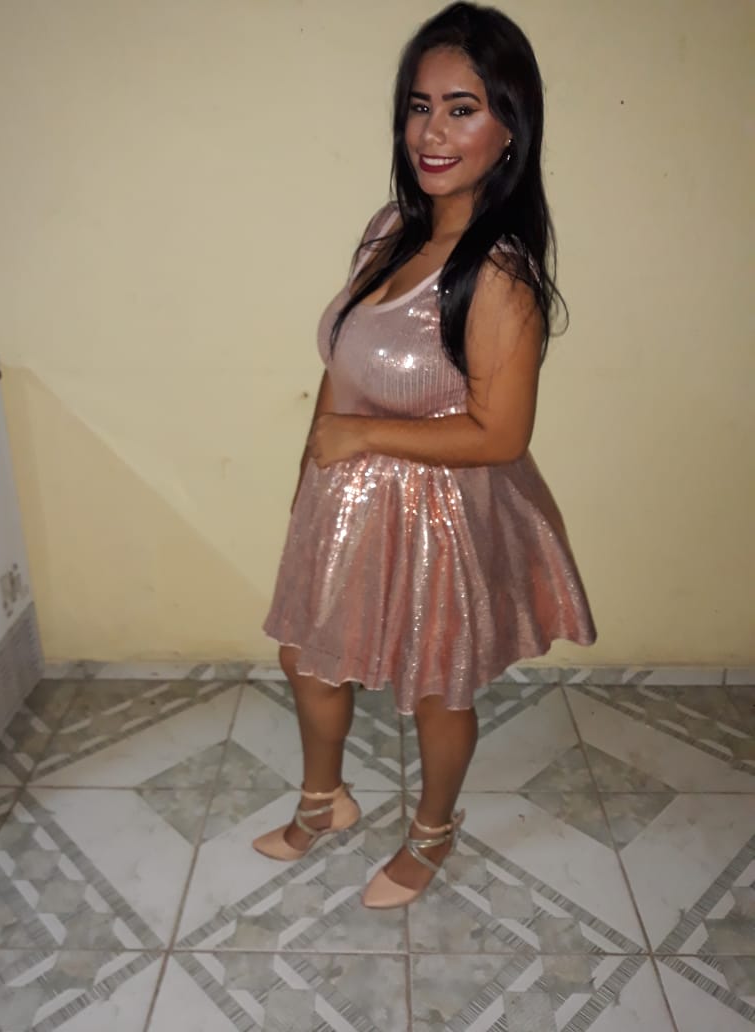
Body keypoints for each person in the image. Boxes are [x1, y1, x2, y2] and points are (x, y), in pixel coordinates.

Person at [253, 1, 596, 909]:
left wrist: (360, 436)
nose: (431, 133)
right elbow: (342, 362)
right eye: (419, 106)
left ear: (509, 128)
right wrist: (311, 474)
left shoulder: (500, 272)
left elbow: (500, 435)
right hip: (346, 498)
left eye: (461, 109)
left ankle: (433, 831)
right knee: (307, 658)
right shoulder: (388, 230)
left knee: (438, 688)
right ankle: (324, 801)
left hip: (442, 509)